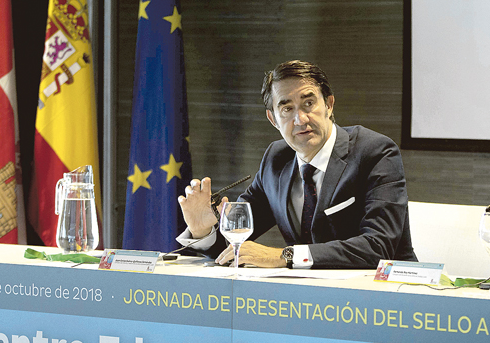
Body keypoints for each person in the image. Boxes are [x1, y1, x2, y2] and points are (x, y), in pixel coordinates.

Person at [177, 60, 416, 268]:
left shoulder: (375, 152)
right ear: (273, 119)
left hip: (383, 292)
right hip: (304, 297)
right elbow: (234, 246)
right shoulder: (276, 159)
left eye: (309, 103)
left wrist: (286, 255)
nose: (300, 119)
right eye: (287, 109)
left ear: (329, 105)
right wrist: (203, 230)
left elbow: (379, 246)